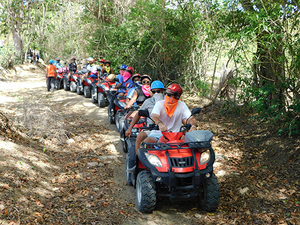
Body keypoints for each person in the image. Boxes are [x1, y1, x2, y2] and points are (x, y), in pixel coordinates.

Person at [125, 80, 165, 153]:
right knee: (140, 137)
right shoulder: (148, 102)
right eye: (154, 92)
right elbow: (139, 114)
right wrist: (130, 128)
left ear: (163, 91)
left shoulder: (168, 101)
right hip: (152, 129)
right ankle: (137, 159)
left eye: (158, 91)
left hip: (168, 130)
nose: (156, 94)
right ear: (150, 92)